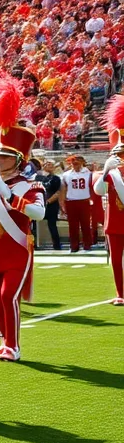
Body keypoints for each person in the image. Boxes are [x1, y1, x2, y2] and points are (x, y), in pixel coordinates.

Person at [0, 77, 45, 363]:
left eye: (4, 157)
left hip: (15, 249)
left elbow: (37, 214)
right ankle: (5, 341)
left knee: (7, 296)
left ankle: (14, 345)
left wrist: (10, 195)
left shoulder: (31, 185)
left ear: (17, 159)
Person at [93, 95, 124, 304]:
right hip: (113, 222)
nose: (120, 157)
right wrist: (106, 170)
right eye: (118, 154)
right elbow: (98, 190)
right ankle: (121, 294)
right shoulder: (111, 173)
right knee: (115, 261)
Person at [60, 154, 94, 252]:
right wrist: (62, 202)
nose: (76, 164)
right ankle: (74, 246)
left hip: (84, 201)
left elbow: (91, 187)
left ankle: (87, 244)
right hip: (71, 201)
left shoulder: (89, 173)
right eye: (74, 162)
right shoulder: (67, 174)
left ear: (83, 162)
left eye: (78, 161)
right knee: (73, 226)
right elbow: (63, 189)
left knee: (86, 224)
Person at [37, 160, 63, 249]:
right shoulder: (38, 178)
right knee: (33, 225)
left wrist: (48, 201)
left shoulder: (56, 178)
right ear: (43, 166)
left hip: (51, 205)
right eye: (48, 164)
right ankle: (34, 244)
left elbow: (58, 192)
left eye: (52, 164)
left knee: (52, 225)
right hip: (39, 204)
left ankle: (56, 245)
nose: (50, 166)